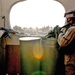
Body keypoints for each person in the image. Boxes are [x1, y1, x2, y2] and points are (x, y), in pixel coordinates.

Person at [57, 10, 75, 75]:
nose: (67, 20)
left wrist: (60, 34)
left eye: (68, 18)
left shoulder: (72, 29)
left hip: (71, 60)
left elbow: (62, 43)